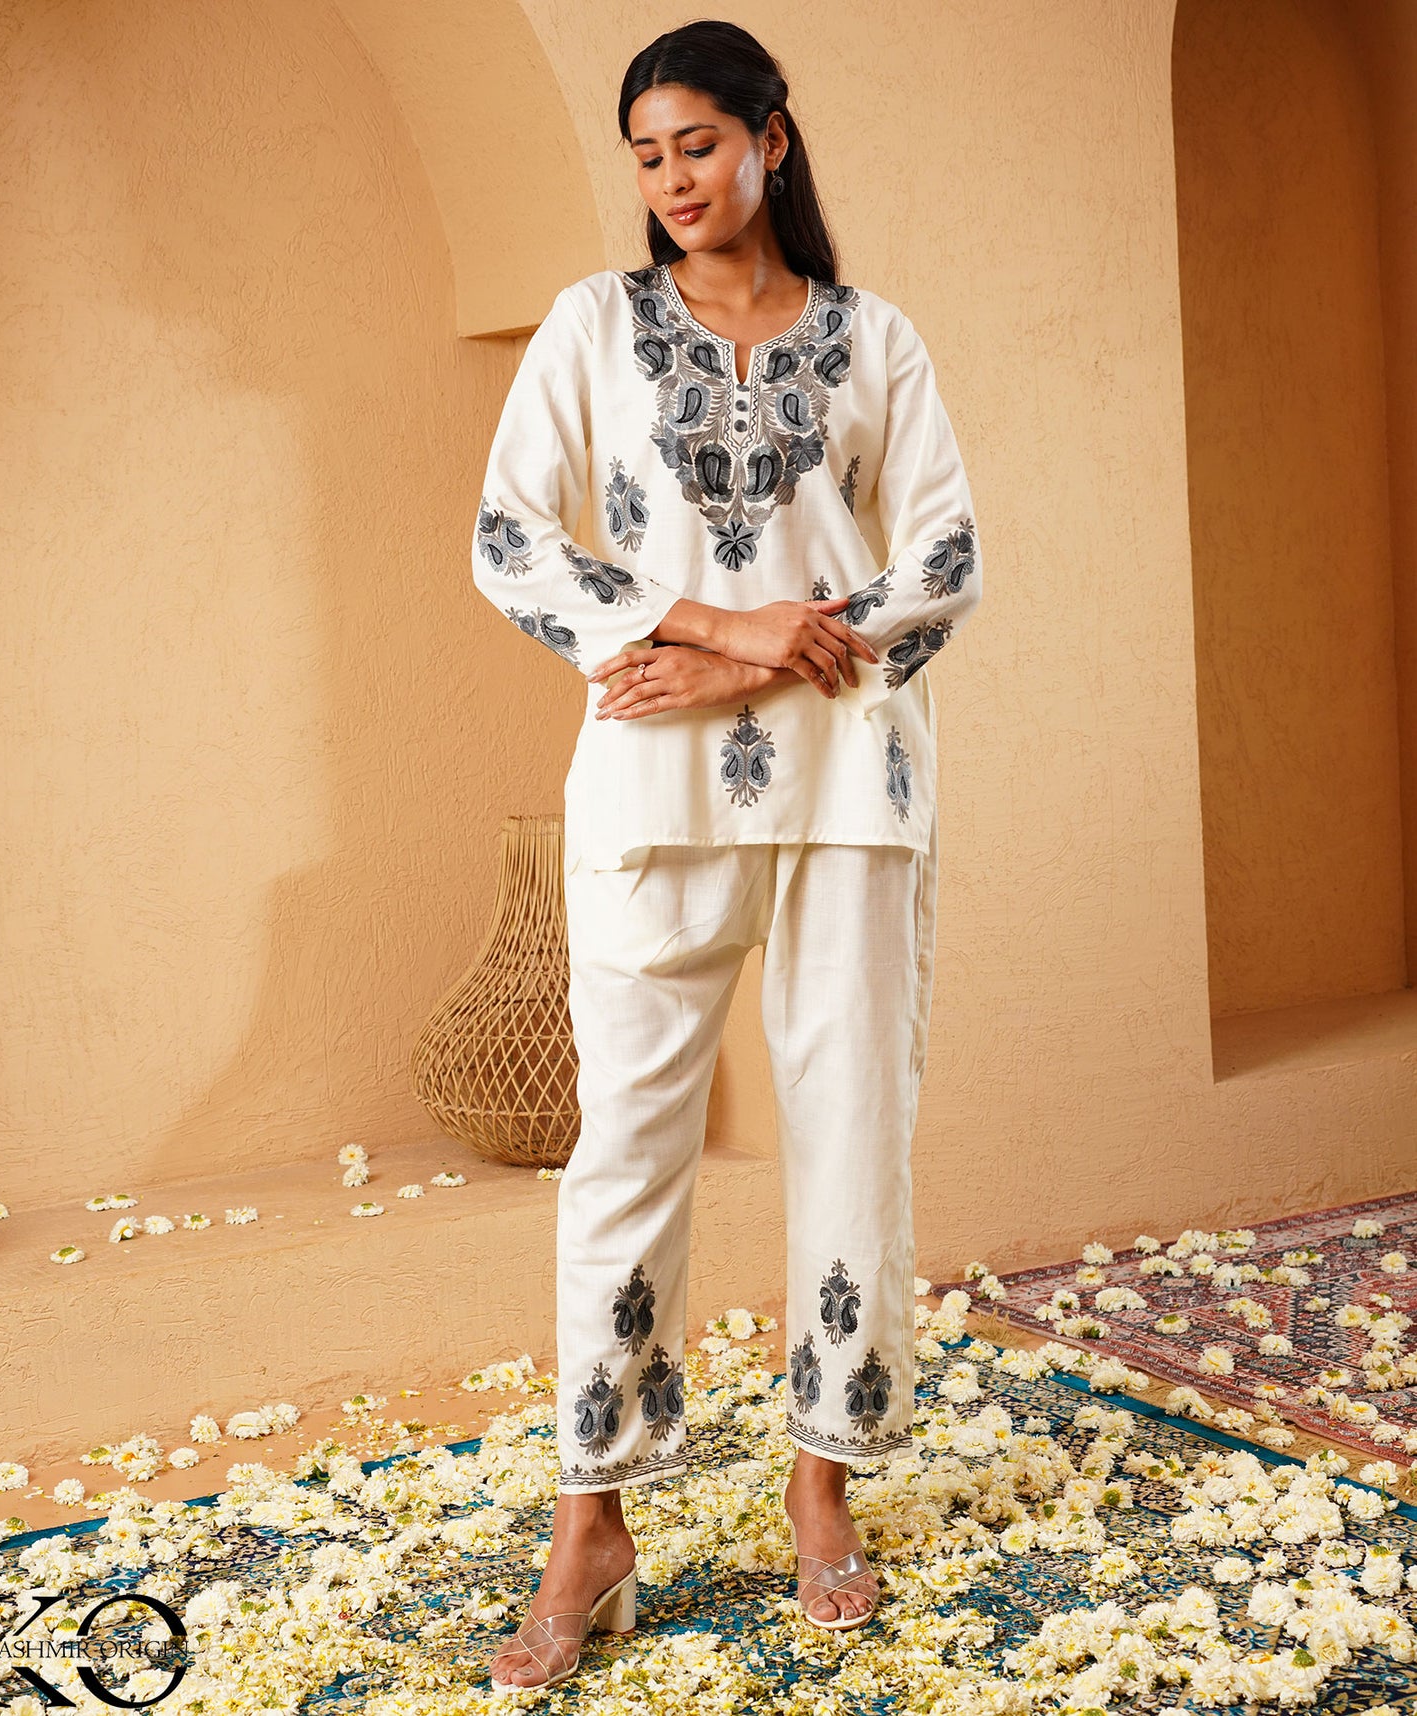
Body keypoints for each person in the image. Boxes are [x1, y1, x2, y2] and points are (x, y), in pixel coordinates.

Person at [470, 18, 983, 1693]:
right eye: (646, 154)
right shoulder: (591, 328)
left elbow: (945, 561)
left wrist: (749, 665)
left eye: (697, 142)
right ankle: (591, 1525)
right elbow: (506, 536)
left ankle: (819, 1485)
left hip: (850, 790)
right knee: (627, 1148)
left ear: (770, 136)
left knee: (851, 1126)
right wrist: (708, 623)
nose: (672, 179)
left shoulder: (872, 338)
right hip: (651, 789)